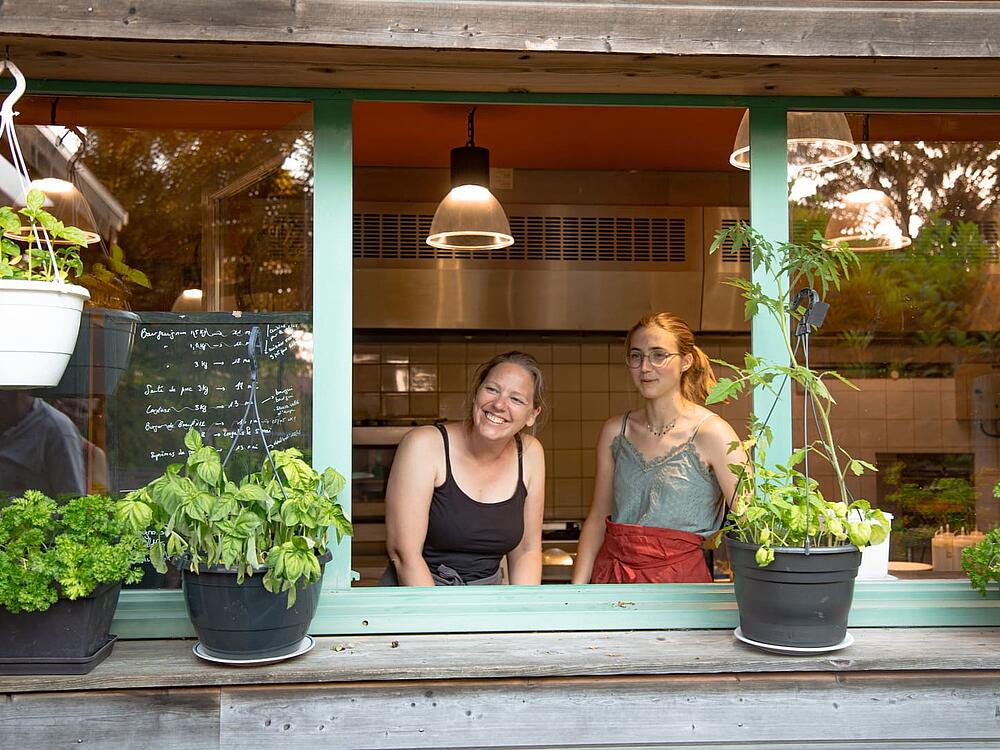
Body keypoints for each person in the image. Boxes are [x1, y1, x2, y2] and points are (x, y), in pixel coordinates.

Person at [572, 312, 747, 584]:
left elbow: (751, 520)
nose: (645, 367)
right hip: (611, 582)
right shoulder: (615, 431)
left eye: (658, 355)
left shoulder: (713, 433)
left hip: (681, 588)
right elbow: (596, 520)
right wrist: (577, 597)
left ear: (686, 361)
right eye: (636, 356)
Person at [383, 351, 546, 586]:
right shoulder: (424, 445)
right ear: (476, 394)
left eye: (517, 399)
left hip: (487, 604)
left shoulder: (530, 454)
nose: (499, 404)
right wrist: (442, 620)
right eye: (492, 389)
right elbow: (404, 555)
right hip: (418, 597)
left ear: (532, 415)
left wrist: (522, 617)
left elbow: (527, 551)